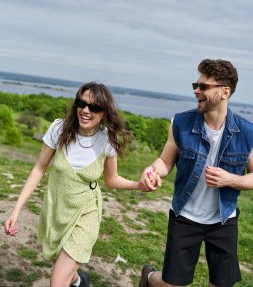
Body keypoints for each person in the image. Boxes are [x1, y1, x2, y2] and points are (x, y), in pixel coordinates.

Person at [5, 81, 140, 287]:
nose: (86, 110)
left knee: (57, 282)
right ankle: (79, 281)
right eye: (81, 103)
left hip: (86, 213)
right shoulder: (59, 129)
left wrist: (140, 185)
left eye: (94, 107)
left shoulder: (107, 140)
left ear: (103, 112)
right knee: (62, 267)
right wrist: (16, 210)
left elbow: (111, 180)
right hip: (57, 210)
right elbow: (39, 168)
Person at [138, 59, 253, 287]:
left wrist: (230, 179)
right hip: (185, 216)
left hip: (223, 219)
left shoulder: (247, 132)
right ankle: (150, 278)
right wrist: (152, 171)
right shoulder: (180, 123)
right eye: (195, 85)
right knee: (173, 285)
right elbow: (164, 161)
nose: (196, 91)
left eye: (203, 87)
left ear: (224, 92)